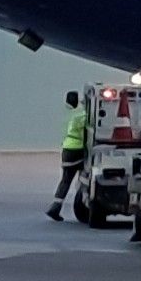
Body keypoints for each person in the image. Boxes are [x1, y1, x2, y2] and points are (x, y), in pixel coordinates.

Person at [49, 91, 91, 219]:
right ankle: (85, 202)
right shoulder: (81, 115)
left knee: (65, 180)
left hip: (67, 148)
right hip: (77, 149)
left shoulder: (65, 114)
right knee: (86, 174)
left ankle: (55, 207)